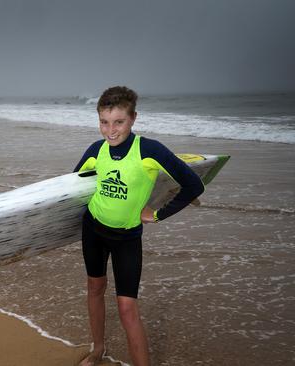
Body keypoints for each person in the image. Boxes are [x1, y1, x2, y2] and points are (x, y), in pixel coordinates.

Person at [74, 86, 204, 366]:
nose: (111, 130)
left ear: (133, 118)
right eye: (104, 122)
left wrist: (157, 214)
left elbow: (193, 184)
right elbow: (73, 186)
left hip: (126, 238)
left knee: (127, 307)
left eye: (118, 122)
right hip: (93, 229)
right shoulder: (96, 150)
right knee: (95, 288)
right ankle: (98, 349)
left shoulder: (149, 150)